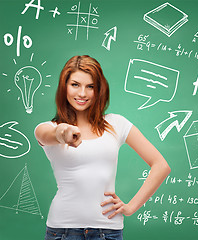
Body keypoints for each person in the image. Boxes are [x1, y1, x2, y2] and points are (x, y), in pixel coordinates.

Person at [35, 55, 171, 240]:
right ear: (64, 87)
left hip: (108, 231)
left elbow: (161, 165)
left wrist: (130, 208)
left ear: (99, 90)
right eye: (75, 84)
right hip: (62, 231)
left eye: (90, 86)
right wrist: (64, 133)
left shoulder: (117, 123)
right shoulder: (48, 128)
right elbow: (49, 135)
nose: (82, 93)